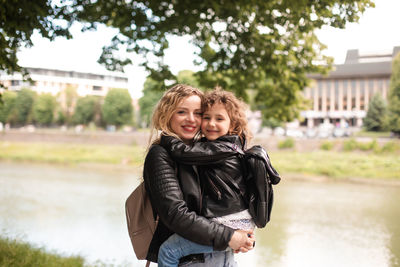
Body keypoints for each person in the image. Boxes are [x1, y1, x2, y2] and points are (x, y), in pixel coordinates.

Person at [143, 84, 255, 266]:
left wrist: (243, 235)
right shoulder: (161, 153)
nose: (191, 119)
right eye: (181, 112)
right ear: (167, 114)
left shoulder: (204, 150)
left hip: (223, 257)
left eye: (198, 113)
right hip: (193, 260)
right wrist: (229, 236)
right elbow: (176, 214)